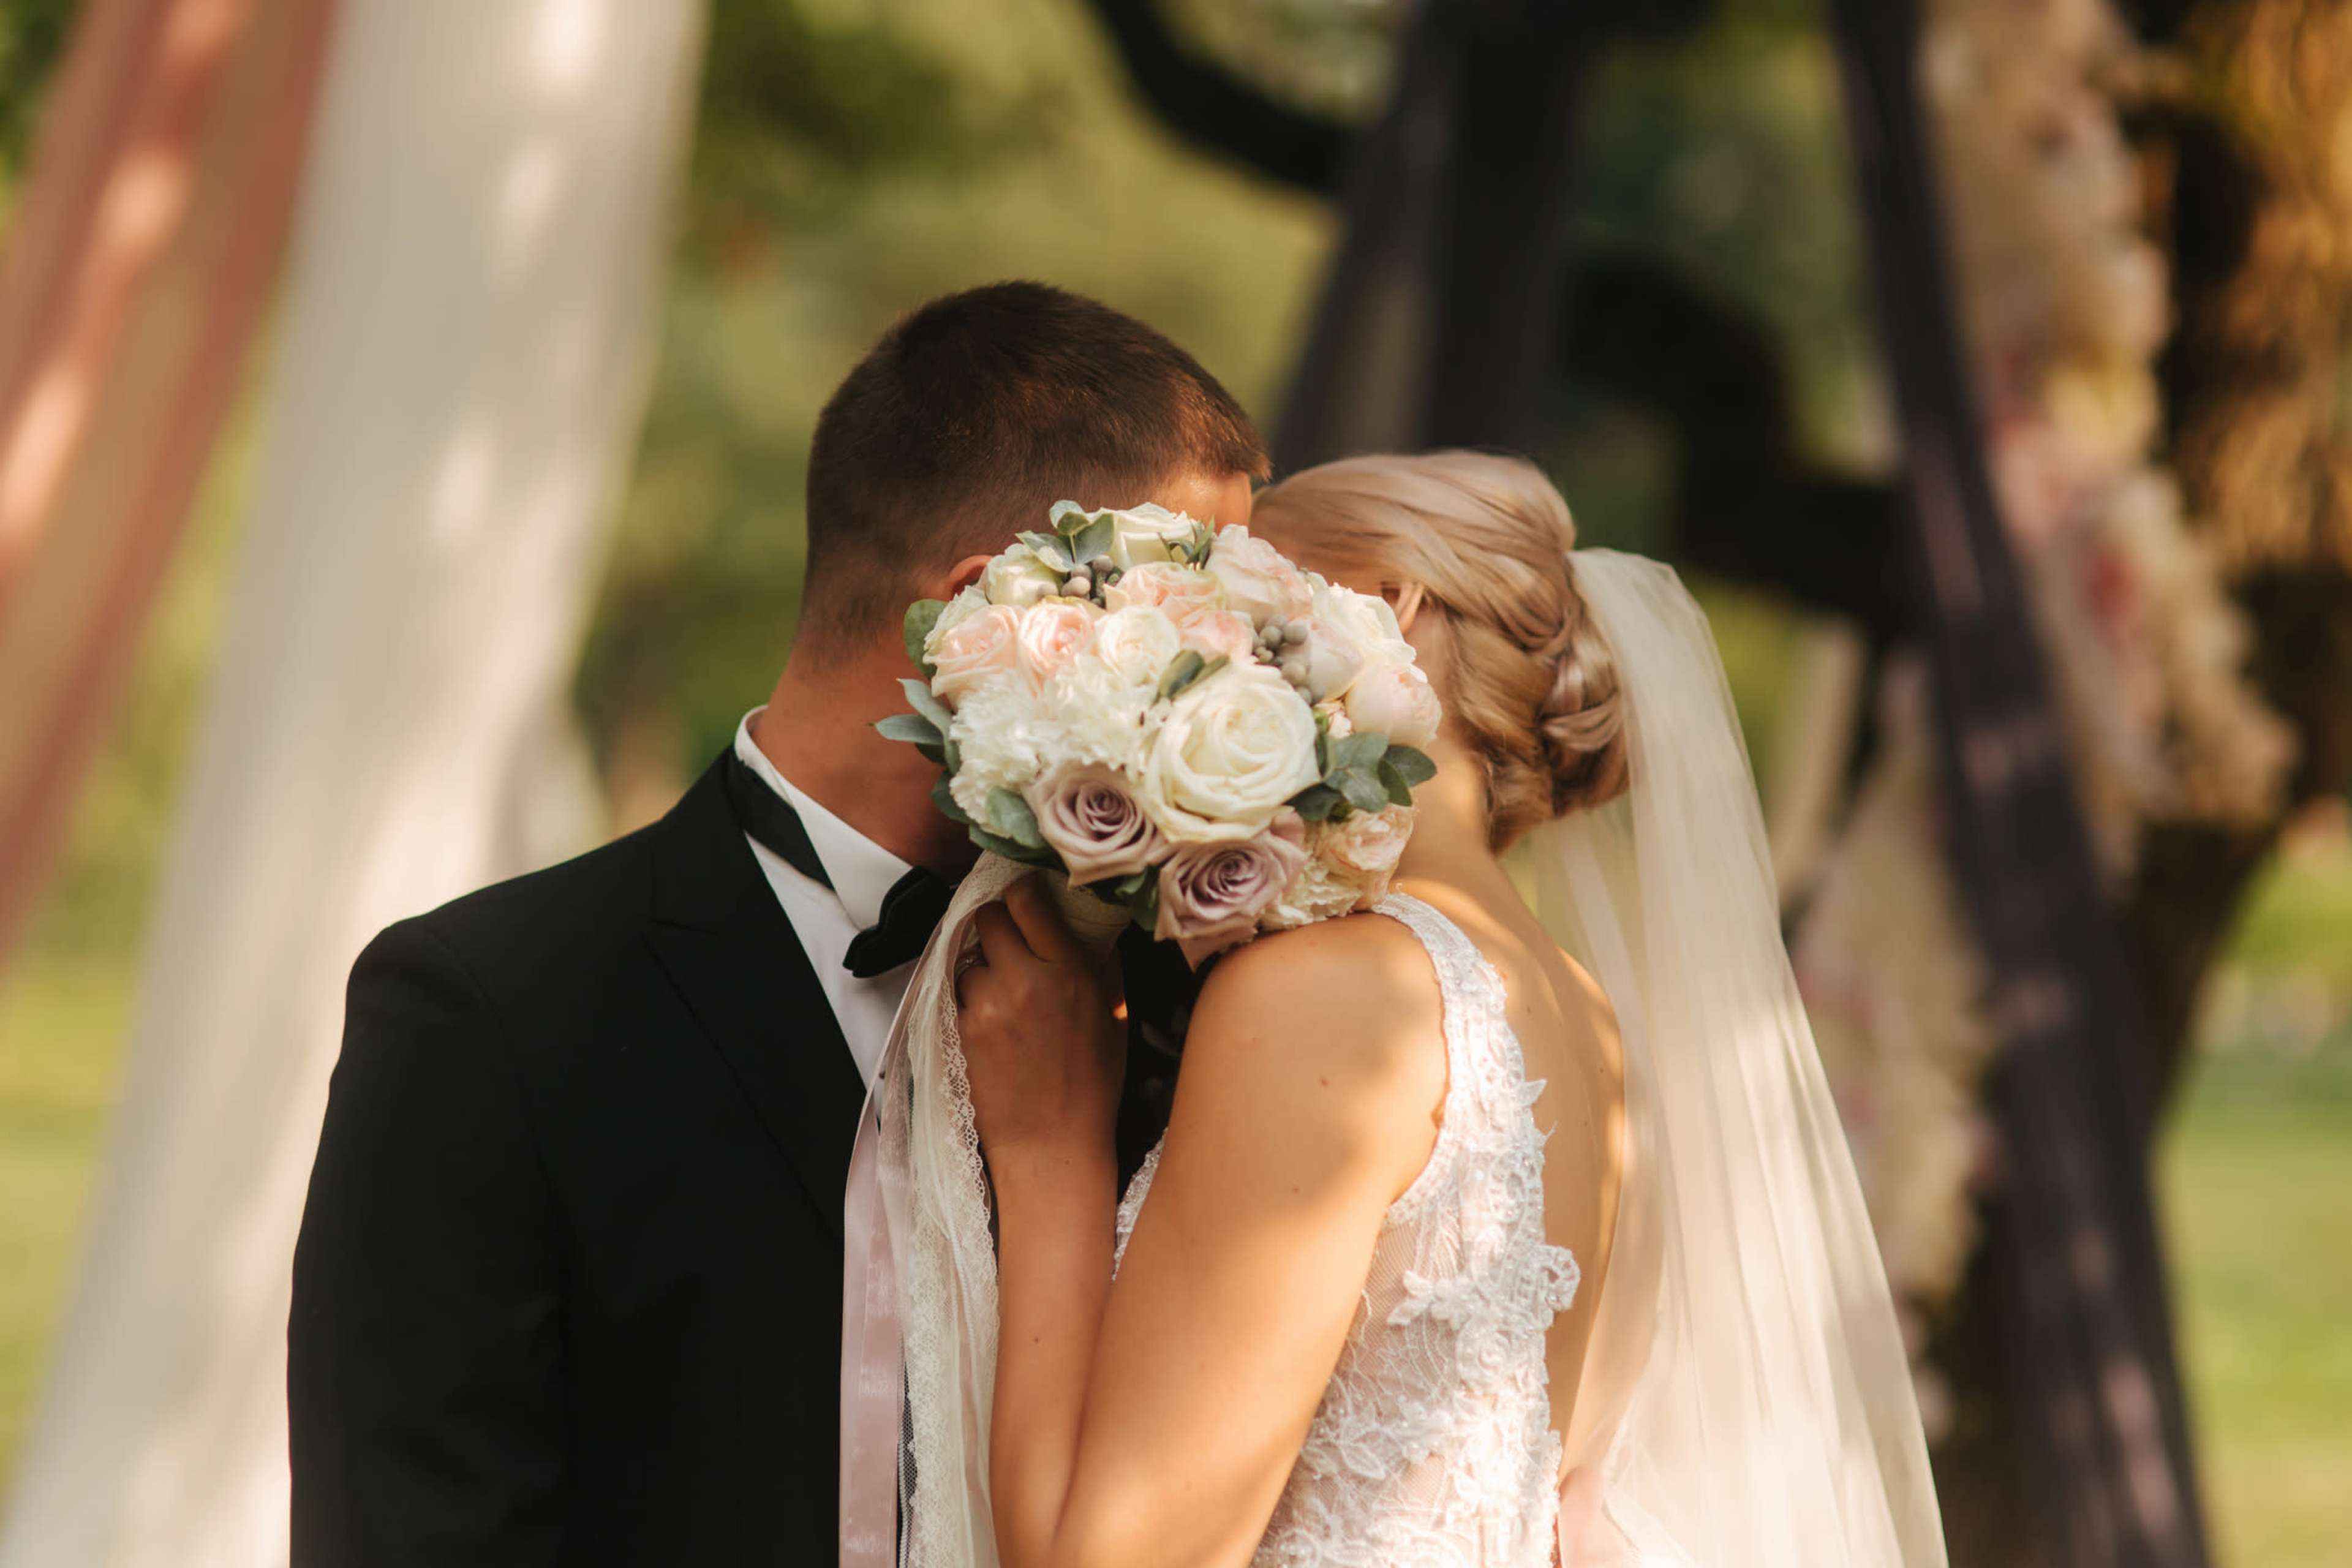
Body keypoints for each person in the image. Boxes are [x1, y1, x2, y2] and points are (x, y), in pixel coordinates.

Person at [285, 281, 1266, 1566]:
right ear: (989, 622)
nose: (1235, 679)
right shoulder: (496, 1009)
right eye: (1189, 628)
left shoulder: (1193, 1015)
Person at [951, 451, 1949, 1567]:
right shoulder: (1582, 1018)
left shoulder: (1342, 999)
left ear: (1388, 612)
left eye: (1236, 608)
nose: (1185, 663)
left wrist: (1049, 1149)